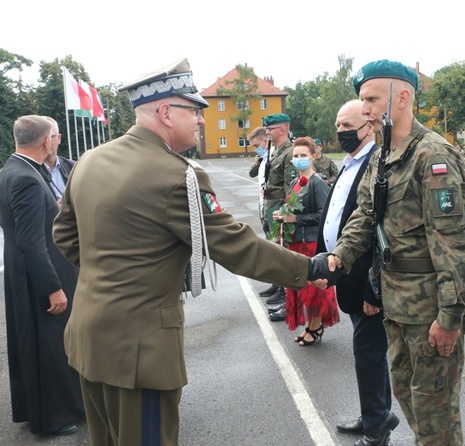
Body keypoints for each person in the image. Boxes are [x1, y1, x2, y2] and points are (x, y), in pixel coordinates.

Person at [51, 58, 336, 446]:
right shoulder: (176, 174)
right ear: (166, 112)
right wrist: (309, 266)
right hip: (140, 350)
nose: (201, 120)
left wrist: (113, 273)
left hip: (88, 336)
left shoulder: (90, 160)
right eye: (194, 111)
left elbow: (65, 235)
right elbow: (234, 245)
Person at [328, 60, 465, 446]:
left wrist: (450, 317)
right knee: (411, 401)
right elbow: (365, 214)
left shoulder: (432, 157)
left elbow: (453, 245)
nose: (365, 109)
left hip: (429, 310)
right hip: (396, 304)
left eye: (372, 98)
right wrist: (338, 257)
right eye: (363, 100)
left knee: (436, 416)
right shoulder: (382, 154)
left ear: (403, 98)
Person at [0, 115, 84, 436]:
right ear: (47, 141)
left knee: (32, 345)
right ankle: (54, 419)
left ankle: (36, 411)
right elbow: (32, 242)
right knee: (50, 348)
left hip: (23, 274)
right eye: (54, 137)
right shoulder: (28, 179)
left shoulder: (12, 171)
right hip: (39, 276)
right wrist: (53, 288)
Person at [317, 99, 395, 446]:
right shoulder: (350, 163)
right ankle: (378, 413)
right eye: (337, 126)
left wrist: (373, 291)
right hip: (345, 273)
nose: (340, 132)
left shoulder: (378, 167)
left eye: (346, 126)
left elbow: (381, 231)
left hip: (367, 281)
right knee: (368, 354)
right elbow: (336, 215)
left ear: (367, 126)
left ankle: (377, 428)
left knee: (369, 354)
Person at [271, 136, 338, 340]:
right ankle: (310, 325)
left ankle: (315, 327)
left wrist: (295, 218)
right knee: (302, 288)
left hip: (311, 243)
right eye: (296, 155)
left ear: (313, 156)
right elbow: (291, 210)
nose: (299, 158)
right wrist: (282, 216)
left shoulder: (317, 183)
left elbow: (322, 215)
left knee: (314, 289)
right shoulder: (295, 183)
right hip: (296, 243)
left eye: (303, 155)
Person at [261, 113, 297, 309]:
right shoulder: (275, 151)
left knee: (282, 250)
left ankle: (285, 293)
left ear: (282, 129)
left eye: (270, 129)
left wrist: (284, 214)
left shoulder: (288, 153)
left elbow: (289, 189)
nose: (267, 133)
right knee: (274, 249)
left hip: (278, 209)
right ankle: (278, 285)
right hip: (271, 207)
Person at [40, 116, 75, 203]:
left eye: (51, 136)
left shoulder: (73, 167)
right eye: (43, 138)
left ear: (59, 138)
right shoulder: (31, 172)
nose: (47, 142)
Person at [247, 126, 270, 225]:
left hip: (272, 205)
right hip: (263, 204)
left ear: (265, 141)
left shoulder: (273, 158)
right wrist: (257, 163)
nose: (255, 149)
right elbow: (251, 174)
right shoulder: (262, 158)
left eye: (256, 145)